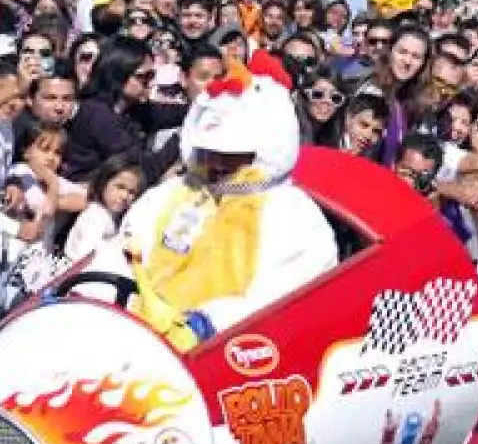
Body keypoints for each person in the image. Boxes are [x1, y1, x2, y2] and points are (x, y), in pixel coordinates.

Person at [90, 51, 339, 349]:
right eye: (210, 153)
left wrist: (207, 324)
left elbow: (285, 295)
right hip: (135, 339)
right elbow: (125, 249)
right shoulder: (173, 193)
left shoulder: (292, 215)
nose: (217, 164)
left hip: (219, 355)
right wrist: (97, 292)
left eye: (232, 156)